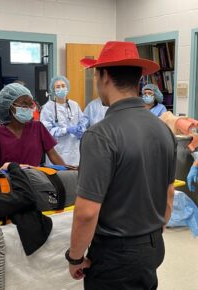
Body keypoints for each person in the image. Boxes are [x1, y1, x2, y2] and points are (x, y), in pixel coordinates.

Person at [66, 41, 176, 289]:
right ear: (138, 78)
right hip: (152, 246)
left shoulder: (101, 134)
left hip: (115, 256)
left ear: (103, 76)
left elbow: (86, 212)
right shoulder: (162, 129)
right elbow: (168, 196)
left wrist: (74, 257)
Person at [0, 83, 65, 168]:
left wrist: (68, 173)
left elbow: (53, 156)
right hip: (8, 180)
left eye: (31, 104)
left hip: (35, 179)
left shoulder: (38, 128)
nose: (29, 108)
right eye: (24, 104)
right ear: (11, 107)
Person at [40, 76, 88, 166]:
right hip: (57, 151)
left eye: (63, 86)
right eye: (57, 87)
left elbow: (83, 120)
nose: (61, 88)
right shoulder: (48, 108)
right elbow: (46, 131)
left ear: (67, 87)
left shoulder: (74, 105)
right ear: (53, 90)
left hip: (73, 152)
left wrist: (82, 128)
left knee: (74, 176)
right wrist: (66, 130)